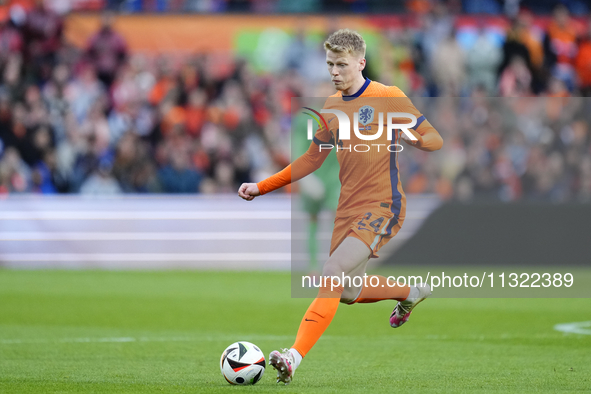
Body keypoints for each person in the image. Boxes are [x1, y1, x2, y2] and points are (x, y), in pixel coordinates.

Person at [238, 29, 443, 385]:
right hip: (348, 208)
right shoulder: (331, 108)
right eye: (330, 64)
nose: (334, 71)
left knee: (331, 270)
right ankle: (411, 292)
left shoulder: (388, 96)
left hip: (384, 205)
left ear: (361, 63)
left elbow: (434, 139)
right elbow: (311, 160)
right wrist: (262, 186)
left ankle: (293, 356)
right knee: (346, 291)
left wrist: (412, 136)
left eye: (342, 64)